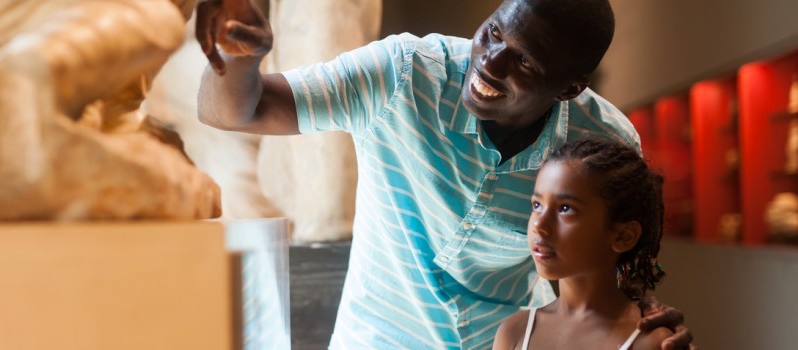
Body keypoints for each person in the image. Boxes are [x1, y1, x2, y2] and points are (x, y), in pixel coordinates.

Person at [195, 0, 694, 348]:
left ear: (570, 88)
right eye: (495, 32)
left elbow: (616, 244)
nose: (491, 63)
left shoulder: (602, 139)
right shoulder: (403, 74)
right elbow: (237, 110)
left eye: (522, 60)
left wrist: (638, 313)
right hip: (377, 340)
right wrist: (239, 59)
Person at [492, 139, 672, 350]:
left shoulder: (652, 343)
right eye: (537, 205)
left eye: (565, 208)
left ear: (623, 236)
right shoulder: (515, 333)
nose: (539, 225)